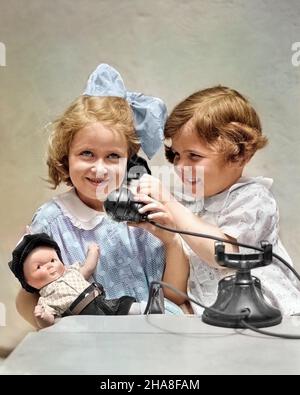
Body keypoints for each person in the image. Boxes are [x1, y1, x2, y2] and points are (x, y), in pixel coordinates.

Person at [16, 64, 187, 326]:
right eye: (86, 153)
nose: (99, 169)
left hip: (149, 338)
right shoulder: (51, 222)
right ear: (66, 156)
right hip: (88, 347)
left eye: (113, 156)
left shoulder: (141, 210)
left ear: (129, 160)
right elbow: (28, 299)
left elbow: (174, 296)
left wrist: (171, 242)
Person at [134, 86, 300, 315]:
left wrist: (169, 203)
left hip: (262, 313)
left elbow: (222, 255)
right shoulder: (187, 205)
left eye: (194, 156)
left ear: (239, 155)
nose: (180, 167)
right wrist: (169, 236)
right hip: (216, 317)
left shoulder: (253, 199)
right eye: (176, 156)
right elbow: (177, 288)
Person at [10, 233, 140, 328]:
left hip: (99, 300)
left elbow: (88, 268)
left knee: (122, 306)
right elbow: (49, 323)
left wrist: (93, 252)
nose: (49, 266)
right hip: (82, 317)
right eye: (39, 266)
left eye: (53, 260)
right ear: (28, 282)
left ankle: (147, 309)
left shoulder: (72, 272)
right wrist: (43, 317)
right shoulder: (45, 299)